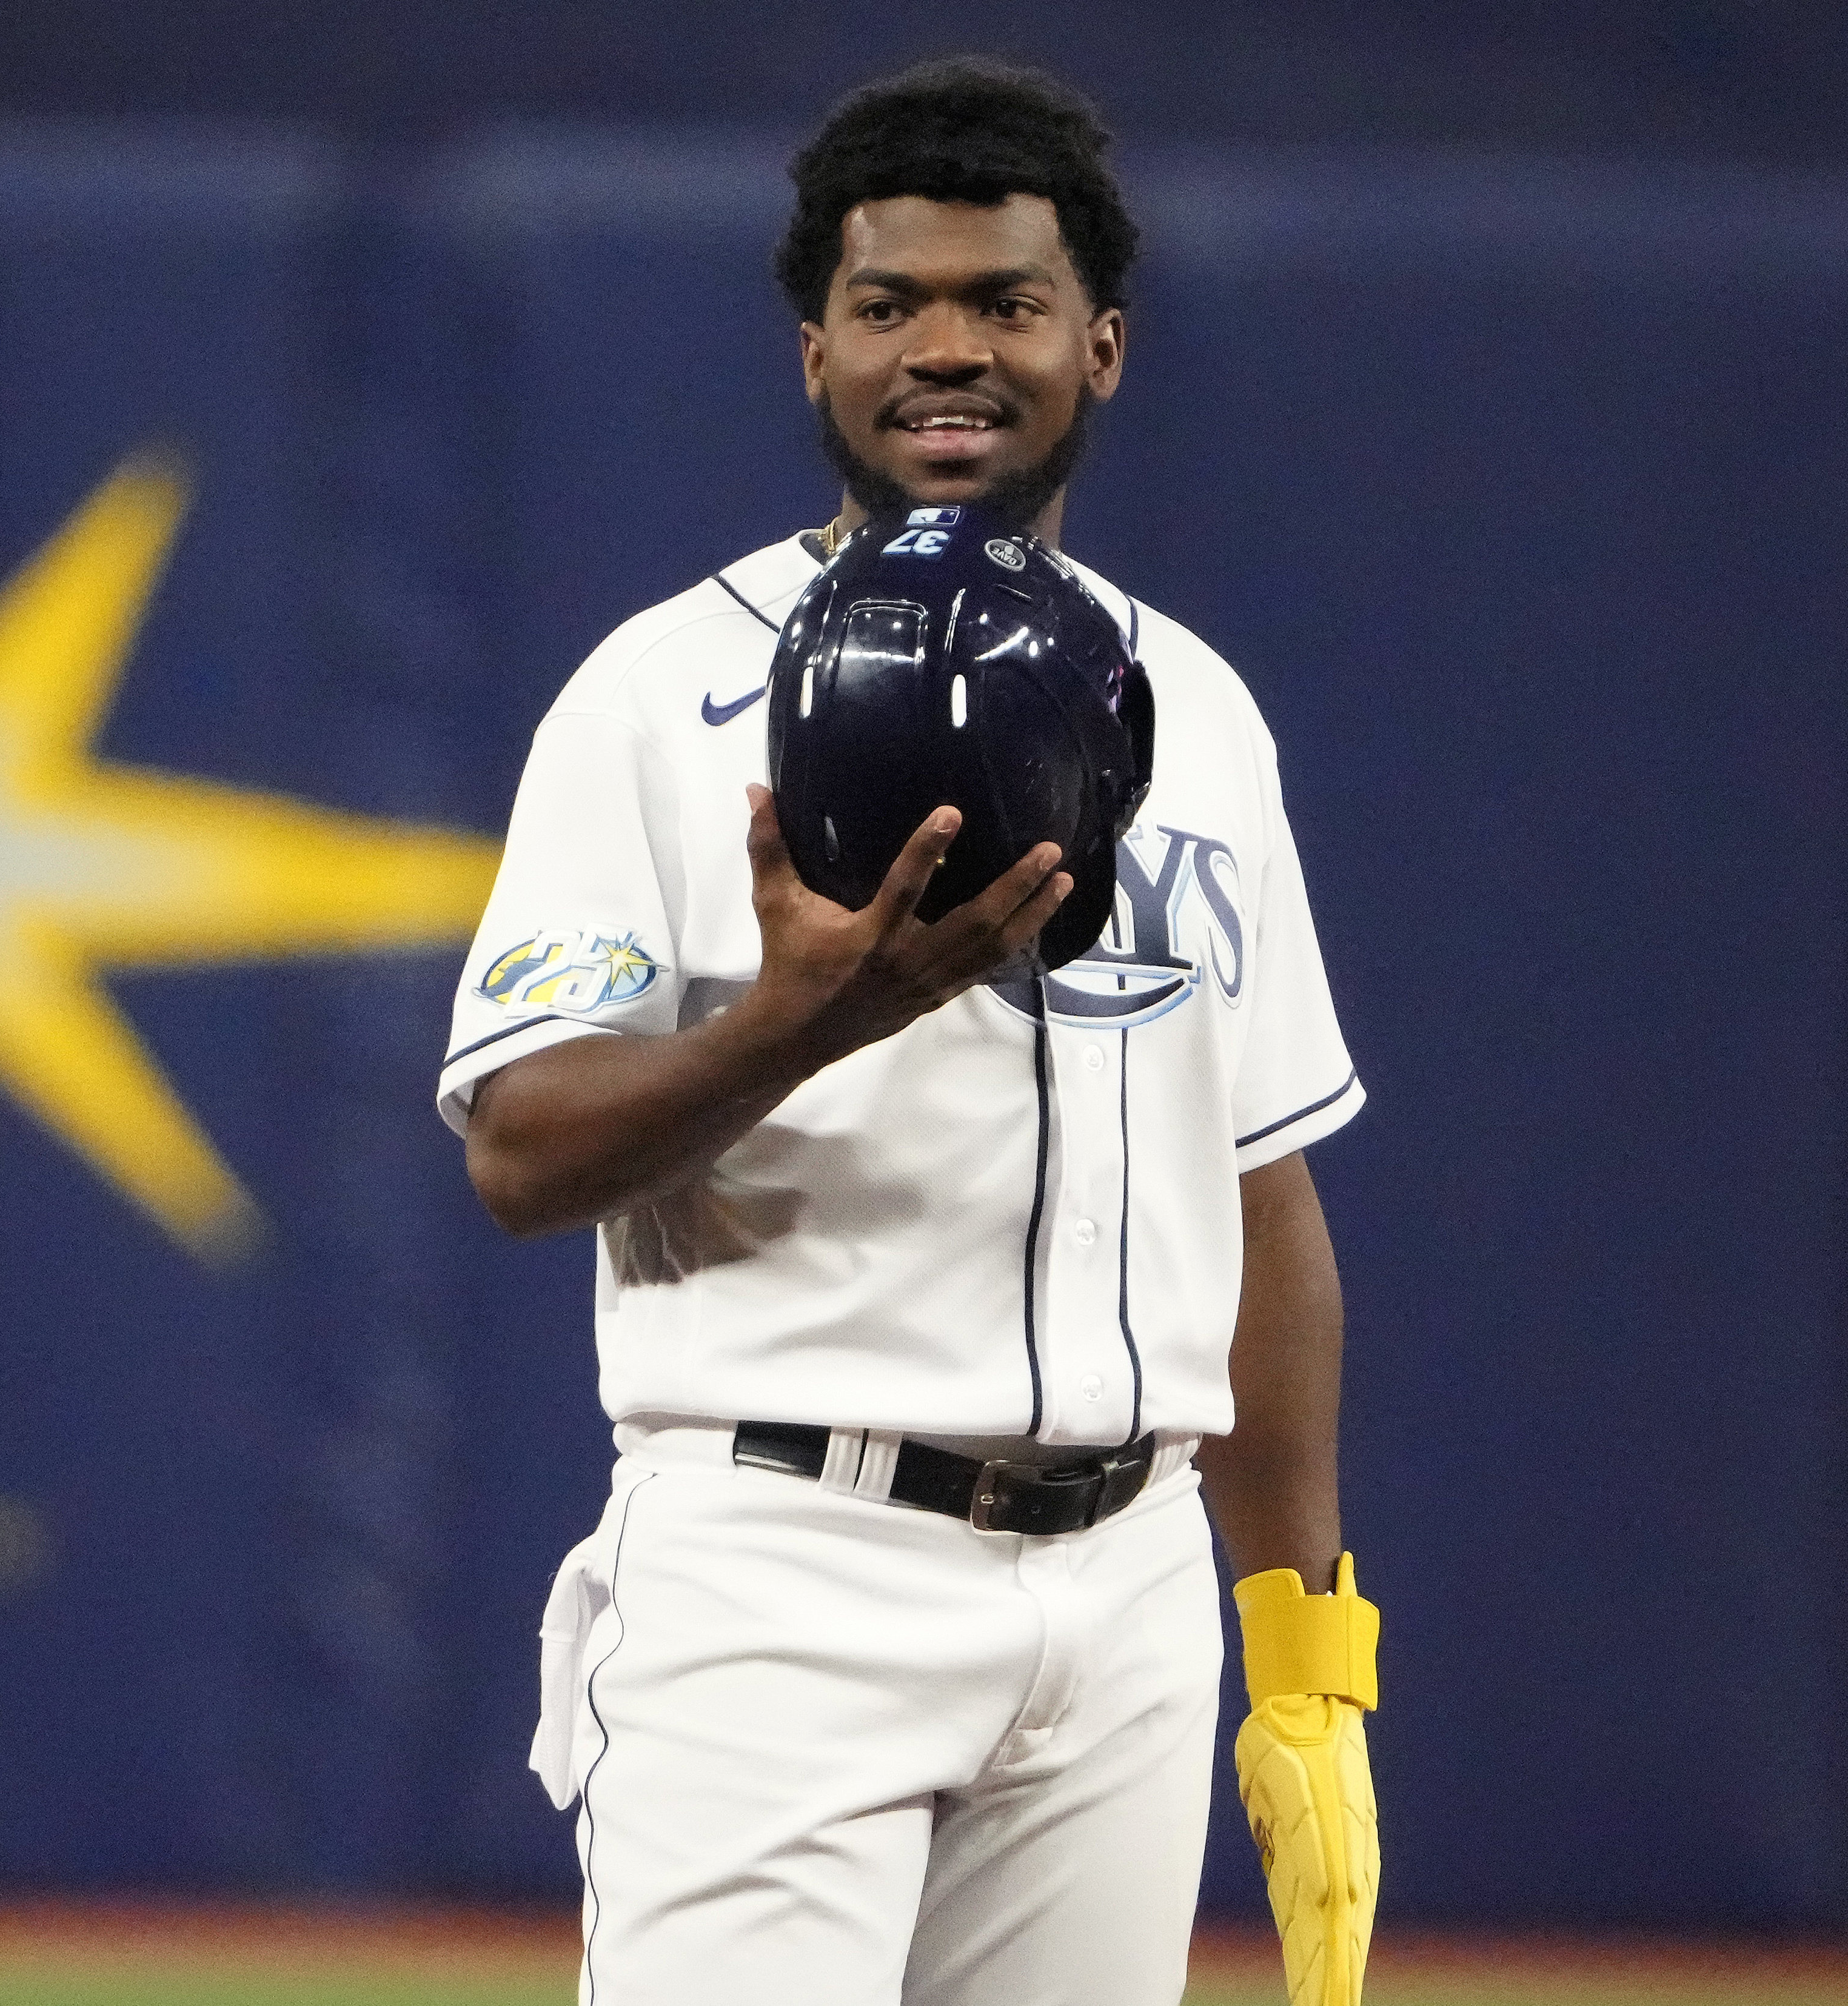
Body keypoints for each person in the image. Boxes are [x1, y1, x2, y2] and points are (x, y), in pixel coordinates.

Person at [437, 58, 1377, 2006]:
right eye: (889, 306)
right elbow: (521, 1152)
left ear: (1097, 347)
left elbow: (1259, 1190)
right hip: (787, 1567)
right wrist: (794, 1024)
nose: (943, 350)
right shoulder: (650, 697)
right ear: (814, 355)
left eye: (1002, 304)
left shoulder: (1191, 708)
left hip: (1118, 1598)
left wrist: (1302, 1652)